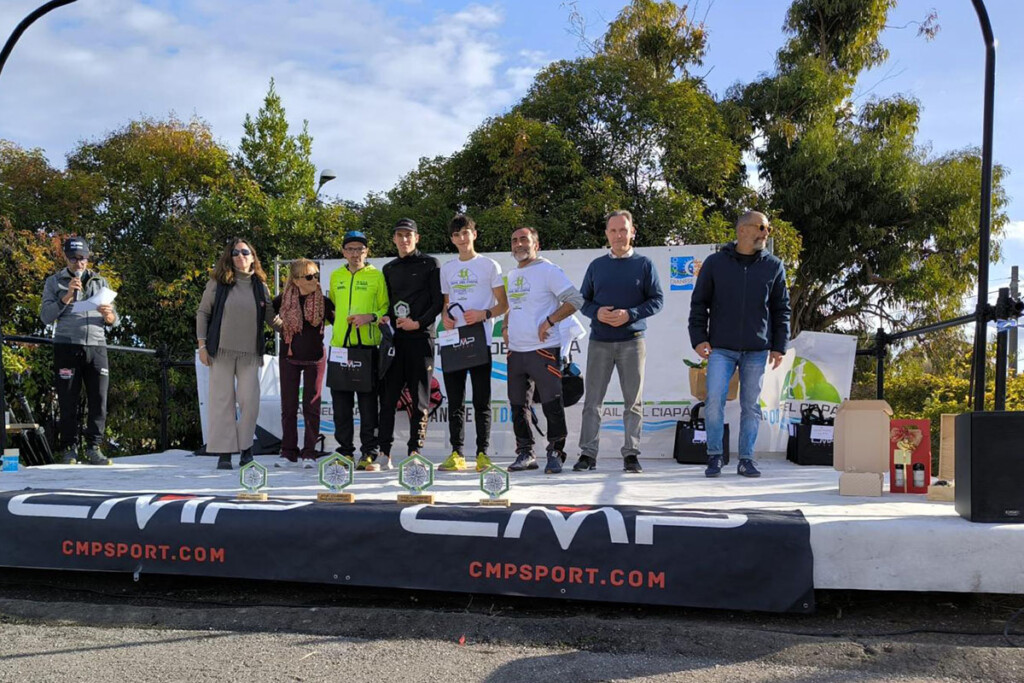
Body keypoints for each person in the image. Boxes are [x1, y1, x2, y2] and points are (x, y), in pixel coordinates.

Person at [688, 211, 791, 478]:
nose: (765, 233)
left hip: (757, 350)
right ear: (742, 230)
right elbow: (699, 304)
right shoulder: (714, 263)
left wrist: (779, 346)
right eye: (761, 227)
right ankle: (714, 457)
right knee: (713, 402)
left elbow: (782, 309)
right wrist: (699, 339)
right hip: (721, 348)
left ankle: (746, 459)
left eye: (767, 228)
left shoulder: (774, 266)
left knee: (751, 406)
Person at [574, 210, 663, 474]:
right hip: (599, 341)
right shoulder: (596, 266)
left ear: (632, 231)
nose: (618, 235)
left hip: (633, 341)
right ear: (606, 234)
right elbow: (583, 301)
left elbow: (657, 300)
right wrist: (596, 312)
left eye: (623, 230)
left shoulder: (645, 265)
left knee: (632, 402)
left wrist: (630, 314)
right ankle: (588, 454)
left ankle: (631, 455)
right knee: (593, 401)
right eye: (613, 230)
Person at [503, 226, 584, 474]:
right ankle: (526, 453)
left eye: (524, 239)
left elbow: (575, 300)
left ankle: (556, 452)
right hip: (517, 352)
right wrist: (506, 326)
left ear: (536, 244)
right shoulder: (513, 274)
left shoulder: (548, 270)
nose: (519, 244)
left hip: (543, 350)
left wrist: (549, 321)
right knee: (518, 405)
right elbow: (515, 306)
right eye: (514, 240)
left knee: (552, 404)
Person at [196, 238, 276, 470]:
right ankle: (224, 453)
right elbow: (203, 313)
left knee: (249, 402)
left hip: (250, 354)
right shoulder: (218, 282)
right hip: (220, 352)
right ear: (229, 258)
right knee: (222, 402)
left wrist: (294, 325)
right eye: (235, 252)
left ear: (253, 257)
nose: (241, 256)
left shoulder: (261, 286)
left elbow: (272, 318)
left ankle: (246, 450)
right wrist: (202, 345)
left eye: (245, 252)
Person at [438, 214, 509, 473]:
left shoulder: (490, 265)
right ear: (452, 239)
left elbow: (503, 304)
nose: (461, 238)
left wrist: (484, 314)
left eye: (465, 233)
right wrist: (445, 316)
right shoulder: (447, 269)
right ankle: (457, 453)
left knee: (482, 400)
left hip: (480, 340)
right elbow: (447, 303)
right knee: (455, 401)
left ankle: (483, 453)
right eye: (456, 235)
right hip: (454, 340)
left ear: (474, 234)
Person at [39, 236, 118, 465]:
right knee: (67, 399)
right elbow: (45, 316)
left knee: (99, 398)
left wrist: (109, 316)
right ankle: (69, 449)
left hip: (96, 345)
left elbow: (115, 319)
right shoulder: (54, 282)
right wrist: (65, 297)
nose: (79, 263)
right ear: (66, 258)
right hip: (66, 345)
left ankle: (94, 448)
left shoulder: (100, 282)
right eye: (74, 258)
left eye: (83, 258)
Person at [376, 219, 443, 470]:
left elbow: (437, 303)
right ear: (393, 238)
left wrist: (418, 323)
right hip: (395, 341)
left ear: (417, 237)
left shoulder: (430, 263)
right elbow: (387, 303)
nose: (404, 240)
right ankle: (384, 453)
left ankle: (415, 450)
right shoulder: (389, 268)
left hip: (421, 339)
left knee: (420, 399)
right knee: (388, 398)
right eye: (399, 235)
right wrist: (385, 319)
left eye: (408, 235)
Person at [327, 231, 389, 471]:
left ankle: (369, 453)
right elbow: (332, 308)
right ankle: (344, 452)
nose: (355, 254)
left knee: (368, 405)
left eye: (359, 249)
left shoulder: (376, 276)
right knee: (341, 406)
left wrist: (369, 317)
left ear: (367, 252)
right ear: (343, 252)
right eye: (350, 249)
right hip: (340, 347)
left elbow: (385, 308)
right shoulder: (335, 276)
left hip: (366, 348)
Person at [272, 258, 335, 469]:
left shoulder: (324, 301)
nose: (314, 280)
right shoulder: (282, 300)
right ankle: (288, 452)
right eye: (309, 276)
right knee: (288, 406)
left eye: (316, 275)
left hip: (315, 358)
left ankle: (309, 452)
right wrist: (283, 327)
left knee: (312, 405)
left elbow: (339, 319)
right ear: (297, 279)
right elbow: (266, 314)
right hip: (289, 357)